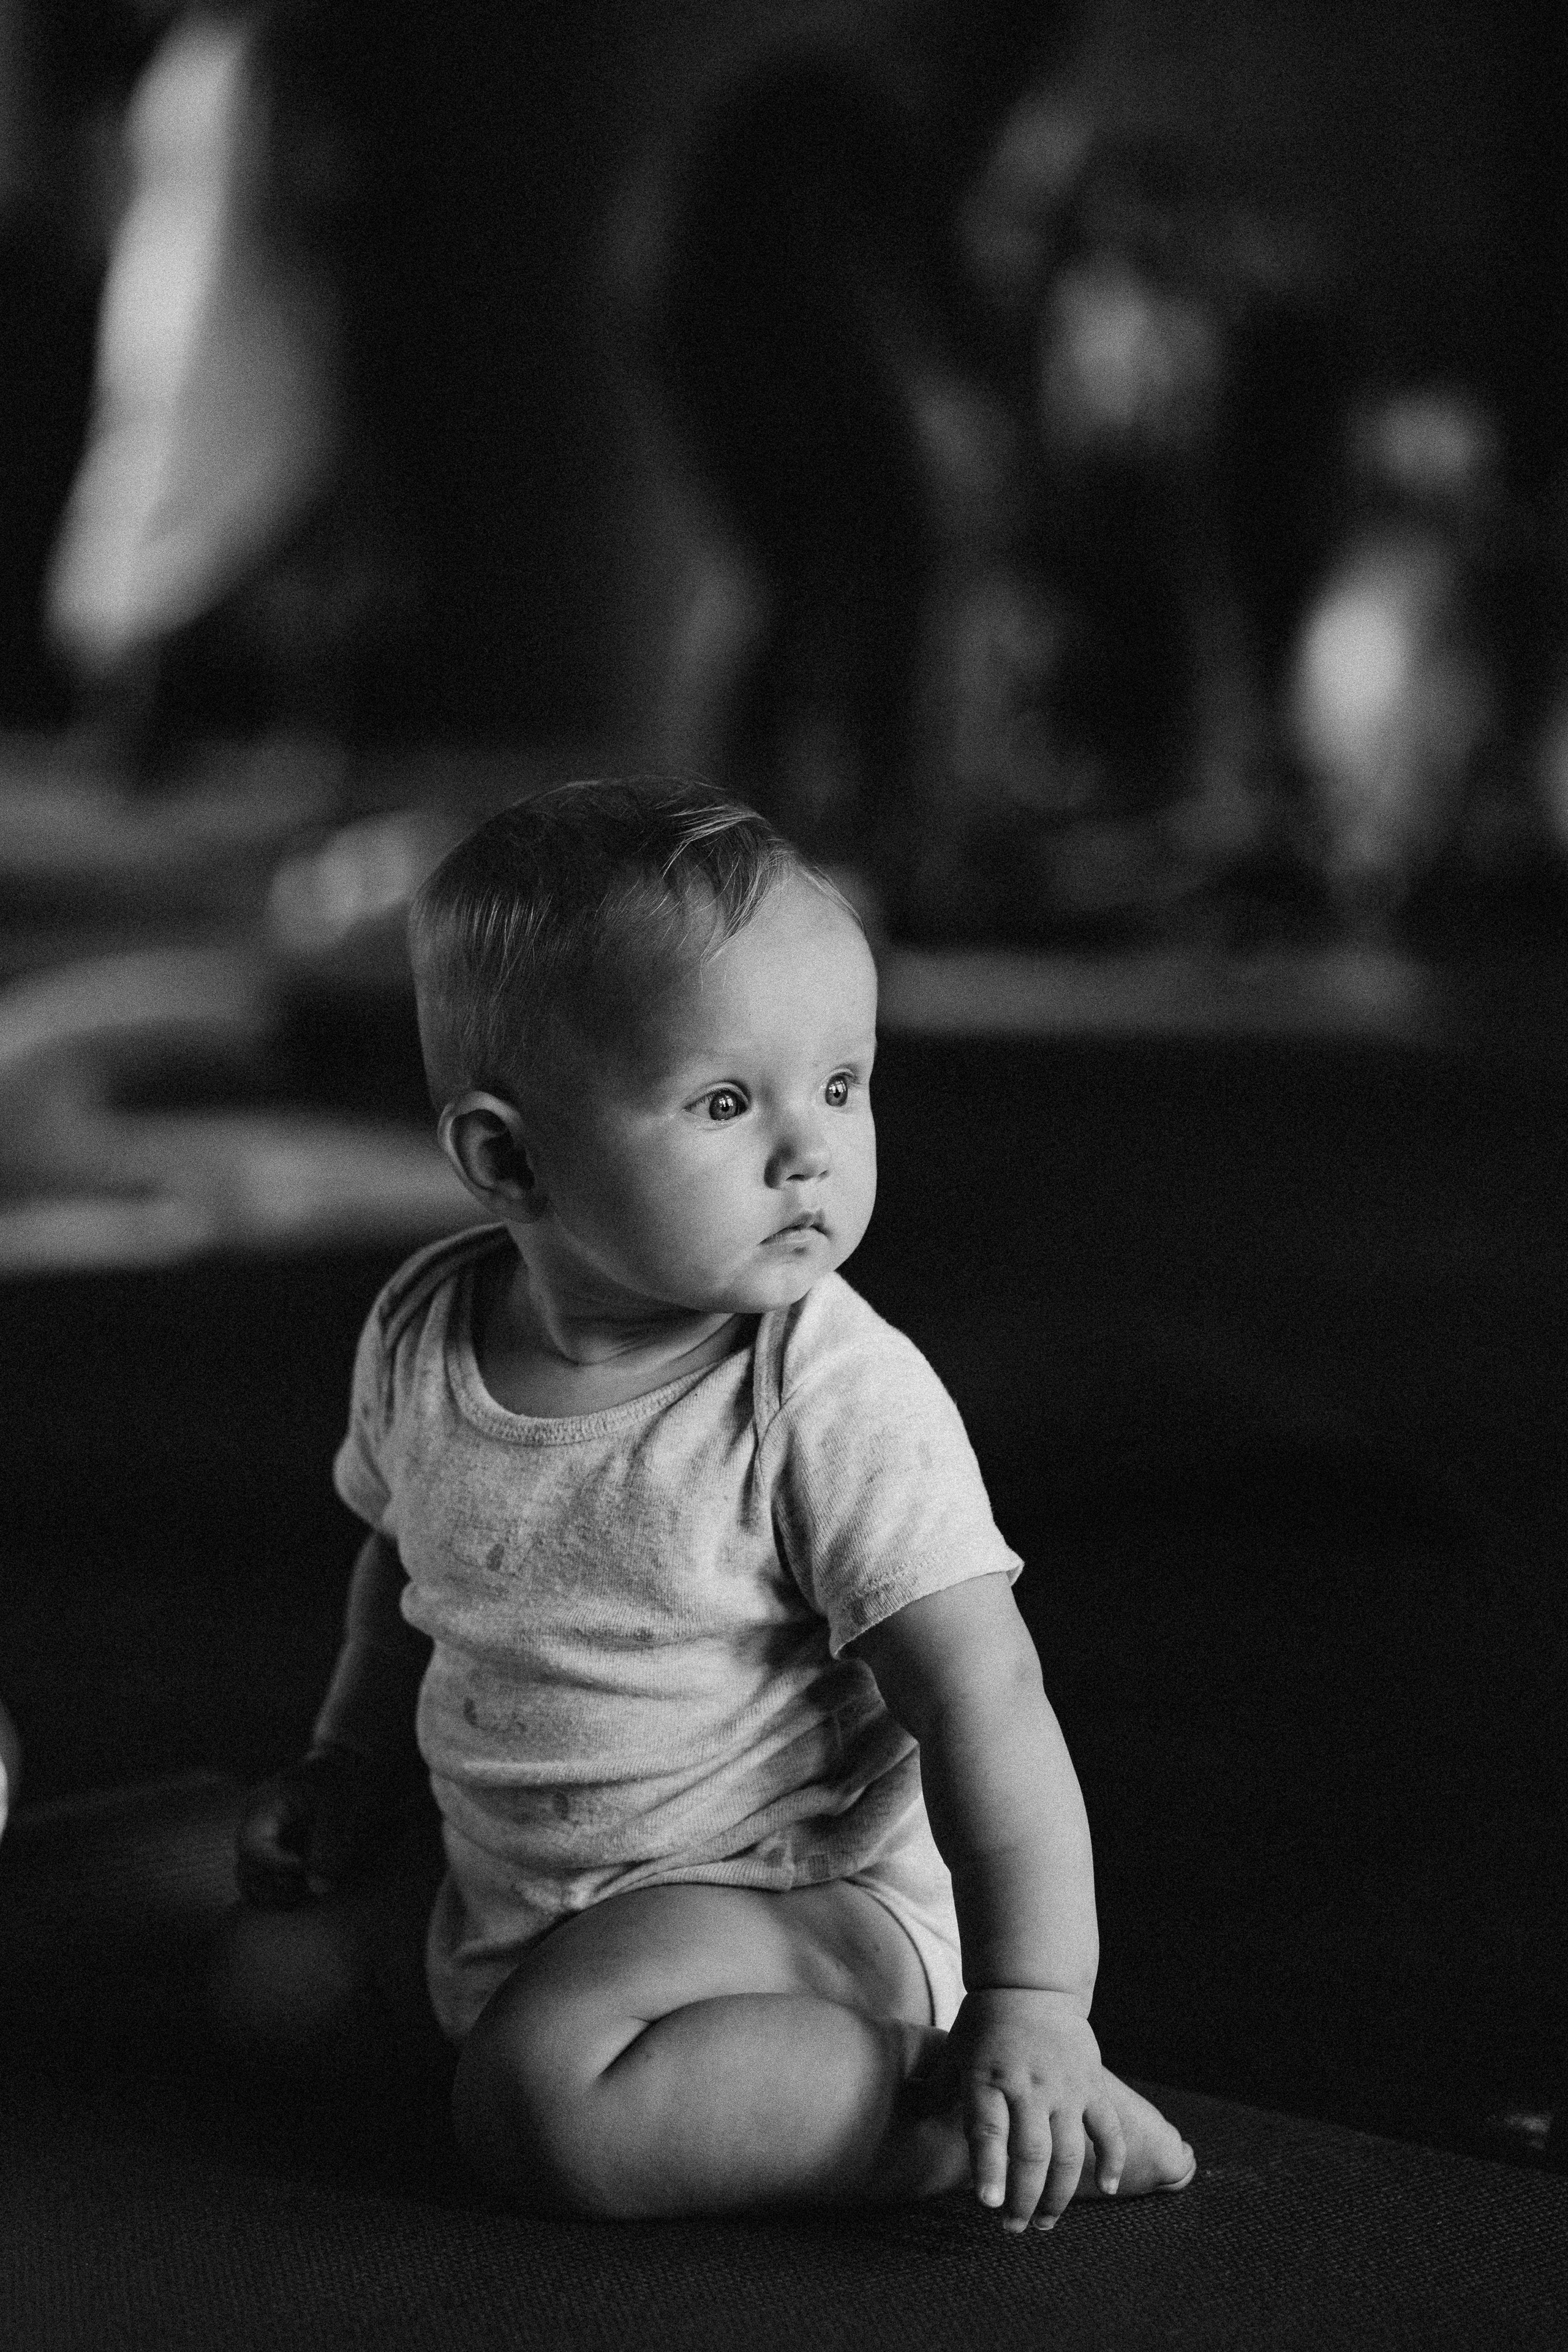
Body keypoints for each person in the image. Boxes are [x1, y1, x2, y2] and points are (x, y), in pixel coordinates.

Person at [232, 776, 1196, 2228]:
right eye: (727, 1102)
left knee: (547, 2104)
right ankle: (630, 2063)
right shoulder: (424, 1327)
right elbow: (401, 1566)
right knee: (263, 1988)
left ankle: (966, 2122)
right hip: (527, 1886)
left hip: (787, 1907)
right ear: (505, 1158)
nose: (809, 1150)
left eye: (843, 1085)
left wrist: (1036, 2000)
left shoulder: (821, 1395)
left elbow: (986, 1701)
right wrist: (344, 1760)